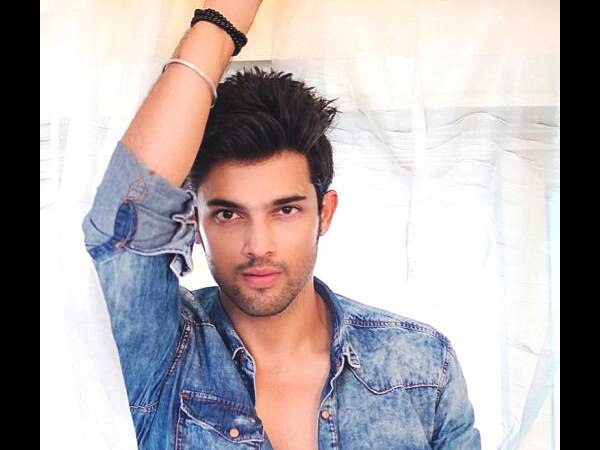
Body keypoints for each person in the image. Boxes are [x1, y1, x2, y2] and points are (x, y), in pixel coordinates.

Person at [82, 1, 481, 448]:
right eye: (228, 214)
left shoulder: (421, 367)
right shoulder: (164, 356)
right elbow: (124, 221)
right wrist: (222, 22)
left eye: (285, 210)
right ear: (194, 222)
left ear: (324, 212)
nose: (258, 245)